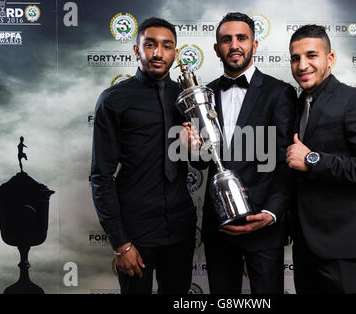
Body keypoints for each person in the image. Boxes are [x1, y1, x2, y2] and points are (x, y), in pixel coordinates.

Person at [186, 12, 296, 294]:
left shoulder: (279, 92)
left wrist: (271, 213)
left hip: (264, 226)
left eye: (241, 38)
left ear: (254, 45)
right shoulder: (203, 94)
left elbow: (286, 162)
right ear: (216, 48)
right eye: (226, 39)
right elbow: (201, 162)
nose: (234, 45)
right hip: (219, 226)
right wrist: (192, 150)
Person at [90, 17, 196, 294]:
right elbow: (101, 176)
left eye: (166, 46)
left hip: (180, 227)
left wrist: (196, 147)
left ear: (175, 52)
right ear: (137, 50)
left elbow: (202, 162)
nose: (158, 53)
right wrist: (120, 242)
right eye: (150, 45)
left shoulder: (187, 98)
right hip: (135, 230)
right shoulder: (113, 99)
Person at [286, 24, 356, 294]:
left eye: (312, 55)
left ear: (329, 59)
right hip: (306, 247)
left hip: (347, 250)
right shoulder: (296, 105)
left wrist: (312, 160)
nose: (302, 65)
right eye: (295, 58)